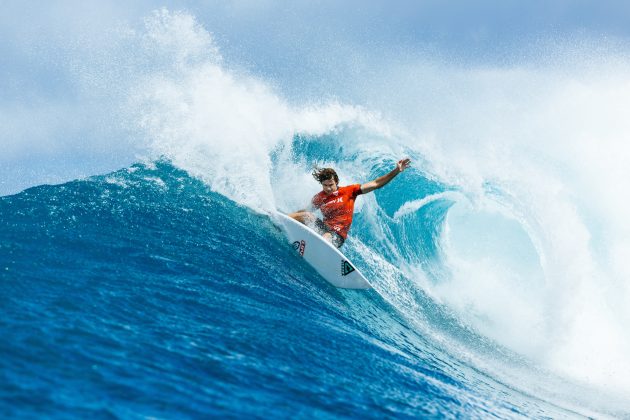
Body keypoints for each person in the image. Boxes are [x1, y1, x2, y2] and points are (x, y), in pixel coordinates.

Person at [289, 158, 411, 247]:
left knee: (327, 237)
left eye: (331, 185)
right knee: (306, 216)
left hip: (337, 235)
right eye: (325, 185)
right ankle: (276, 220)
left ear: (336, 182)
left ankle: (319, 248)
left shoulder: (349, 191)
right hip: (324, 228)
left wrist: (396, 171)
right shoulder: (319, 197)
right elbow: (306, 211)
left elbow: (376, 183)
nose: (328, 188)